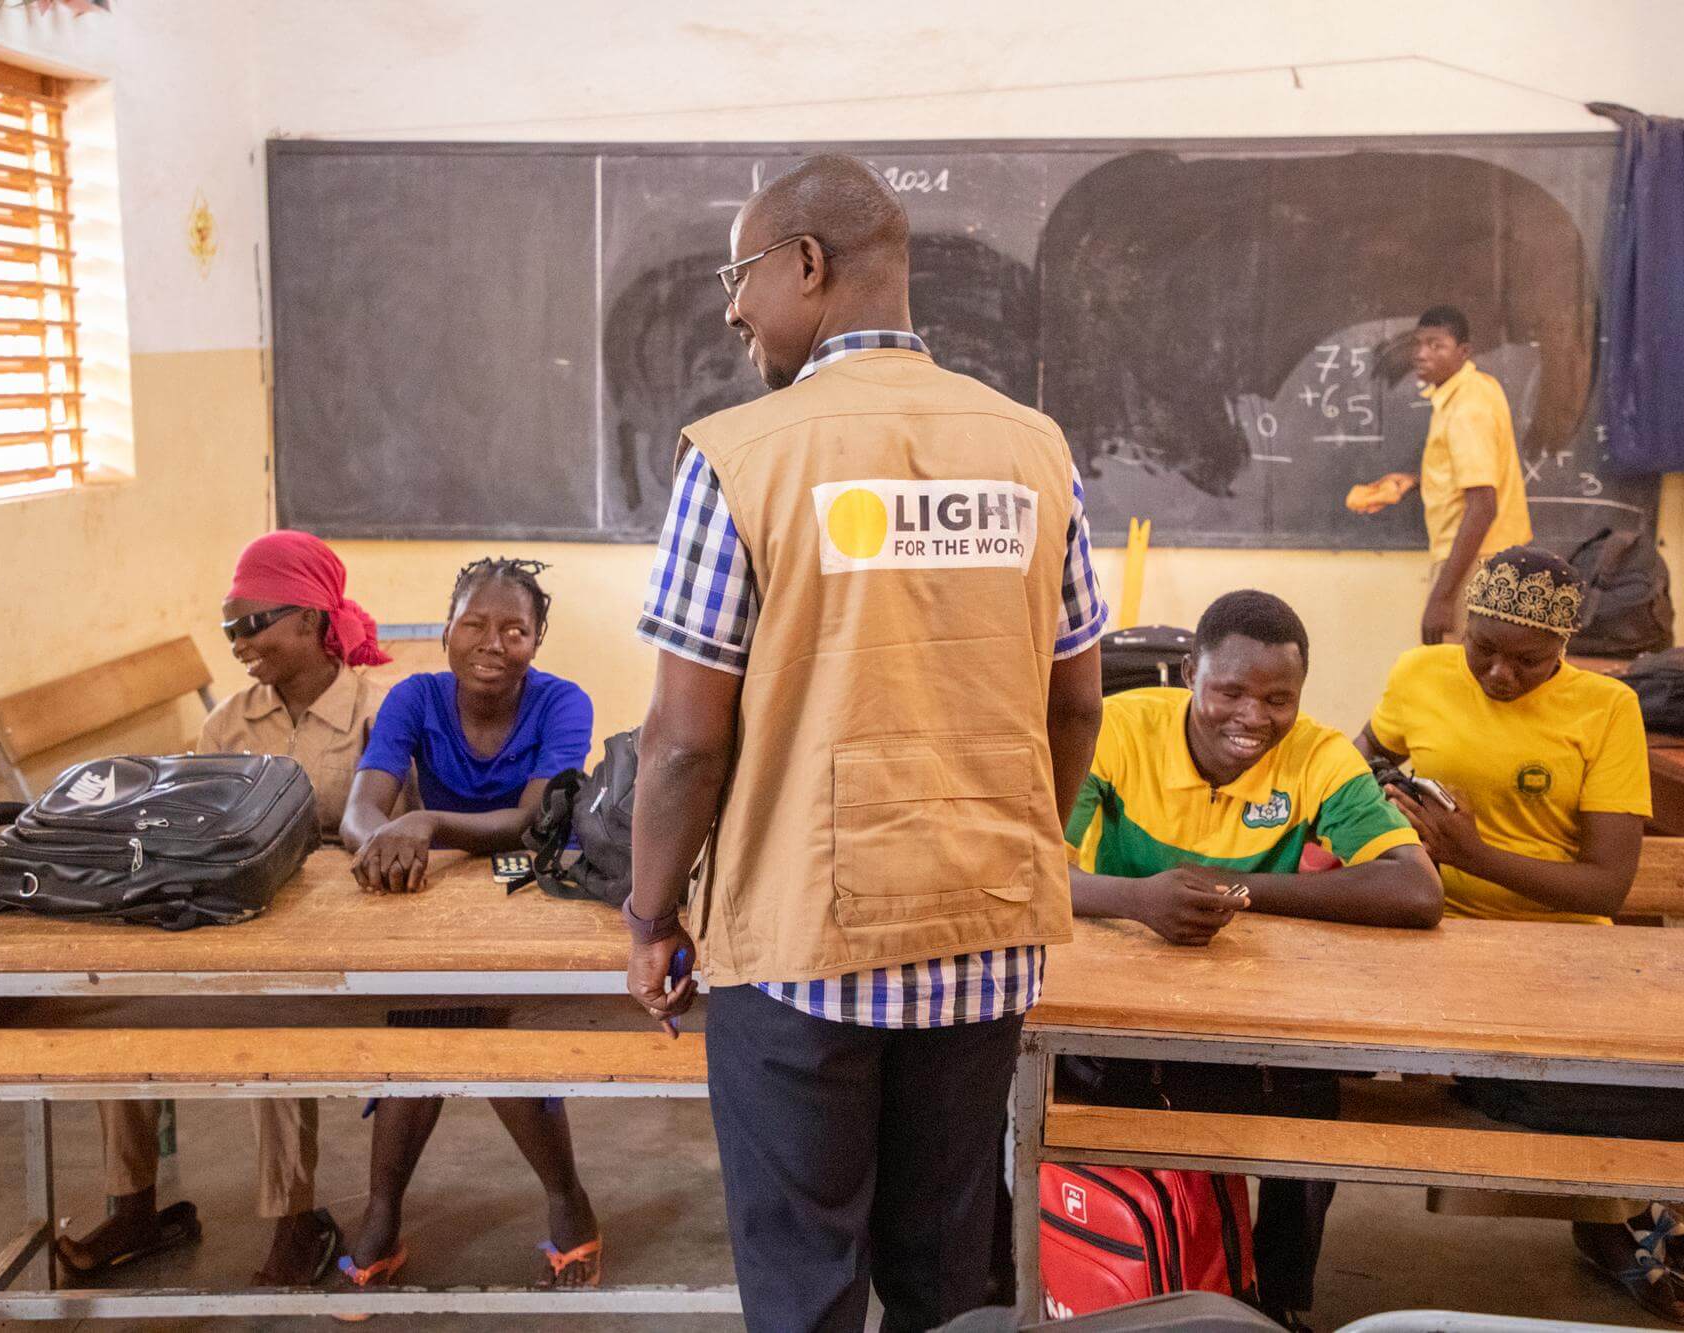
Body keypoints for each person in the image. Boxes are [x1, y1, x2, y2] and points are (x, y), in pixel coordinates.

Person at [624, 154, 1109, 1332]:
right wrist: (1000, 835)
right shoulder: (1034, 451)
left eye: (741, 277)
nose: (732, 309)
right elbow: (1076, 704)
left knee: (804, 1277)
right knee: (946, 1273)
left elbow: (683, 745)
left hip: (799, 949)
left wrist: (648, 915)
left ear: (806, 264)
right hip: (983, 930)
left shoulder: (738, 458)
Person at [1064, 589, 1441, 1329]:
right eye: (1229, 690)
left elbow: (1416, 888)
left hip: (1263, 1007)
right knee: (1071, 1098)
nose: (1253, 716)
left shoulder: (1320, 755)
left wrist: (1235, 891)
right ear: (1187, 672)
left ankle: (1276, 1298)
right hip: (1120, 1005)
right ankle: (1123, 1272)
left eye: (1278, 698)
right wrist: (1138, 900)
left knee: (1310, 1104)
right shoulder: (1120, 729)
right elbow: (1035, 868)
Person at [1357, 545, 1684, 1325]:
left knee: (1578, 1074)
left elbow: (1606, 885)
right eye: (1482, 650)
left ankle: (1606, 1220)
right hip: (1431, 930)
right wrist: (1378, 796)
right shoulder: (1419, 673)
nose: (1498, 676)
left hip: (1563, 949)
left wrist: (1474, 853)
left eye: (1528, 660)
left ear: (1565, 647)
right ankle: (1612, 1219)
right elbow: (1356, 764)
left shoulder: (1607, 709)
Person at [58, 529, 393, 1286]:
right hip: (238, 923)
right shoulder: (228, 725)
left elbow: (400, 833)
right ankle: (136, 1204)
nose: (239, 643)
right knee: (121, 1001)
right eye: (228, 628)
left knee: (264, 1021)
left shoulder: (382, 709)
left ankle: (293, 1218)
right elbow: (189, 829)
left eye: (254, 623)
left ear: (311, 619)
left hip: (341, 939)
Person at [335, 557, 601, 1294]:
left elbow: (531, 821)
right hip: (441, 898)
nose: (494, 642)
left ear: (538, 640)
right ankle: (567, 1200)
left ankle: (382, 1218)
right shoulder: (414, 698)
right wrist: (377, 841)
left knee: (445, 1021)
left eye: (515, 628)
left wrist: (423, 821)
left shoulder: (561, 703)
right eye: (474, 624)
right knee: (458, 1019)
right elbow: (360, 808)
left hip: (537, 892)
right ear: (446, 629)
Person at [1406, 305, 1531, 646]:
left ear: (1463, 352)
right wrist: (1415, 482)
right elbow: (1469, 474)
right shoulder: (1474, 389)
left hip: (1476, 563)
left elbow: (1482, 505)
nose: (1421, 354)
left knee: (1458, 681)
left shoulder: (1466, 408)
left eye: (1436, 345)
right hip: (1491, 558)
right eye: (1418, 344)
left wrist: (1442, 597)